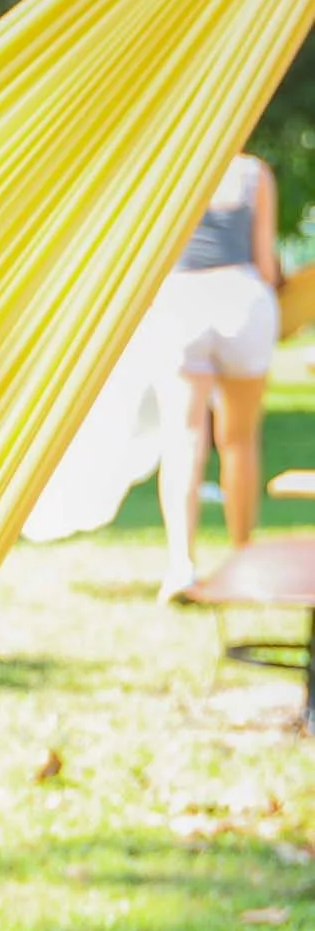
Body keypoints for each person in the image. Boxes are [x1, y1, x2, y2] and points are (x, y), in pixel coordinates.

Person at [150, 153, 287, 599]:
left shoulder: (168, 166)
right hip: (241, 297)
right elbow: (265, 264)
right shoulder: (253, 172)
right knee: (239, 439)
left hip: (182, 300)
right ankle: (242, 556)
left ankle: (180, 566)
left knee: (183, 438)